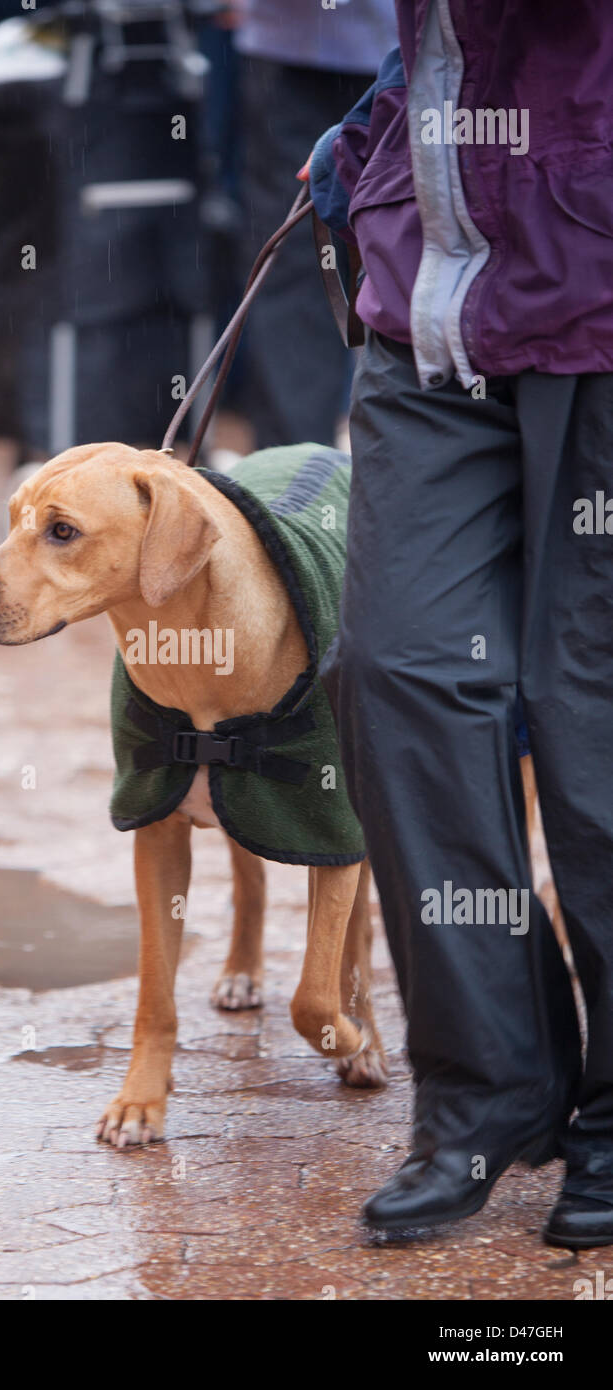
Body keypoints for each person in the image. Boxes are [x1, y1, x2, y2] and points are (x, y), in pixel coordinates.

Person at [310, 1, 613, 1247]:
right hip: (425, 309)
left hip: (592, 300)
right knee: (393, 670)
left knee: (587, 716)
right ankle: (485, 1092)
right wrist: (373, 131)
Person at [235, 0, 396, 448]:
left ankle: (387, 448)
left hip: (424, 56)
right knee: (296, 256)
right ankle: (296, 467)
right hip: (297, 54)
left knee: (411, 250)